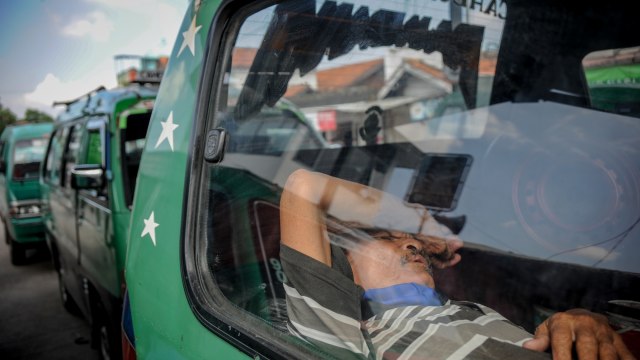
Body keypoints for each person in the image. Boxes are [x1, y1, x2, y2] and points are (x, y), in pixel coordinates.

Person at [279, 169, 635, 360]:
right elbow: (304, 187)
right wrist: (418, 221)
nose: (411, 244)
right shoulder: (346, 334)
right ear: (342, 270)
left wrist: (576, 321)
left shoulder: (475, 311)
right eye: (387, 238)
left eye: (413, 241)